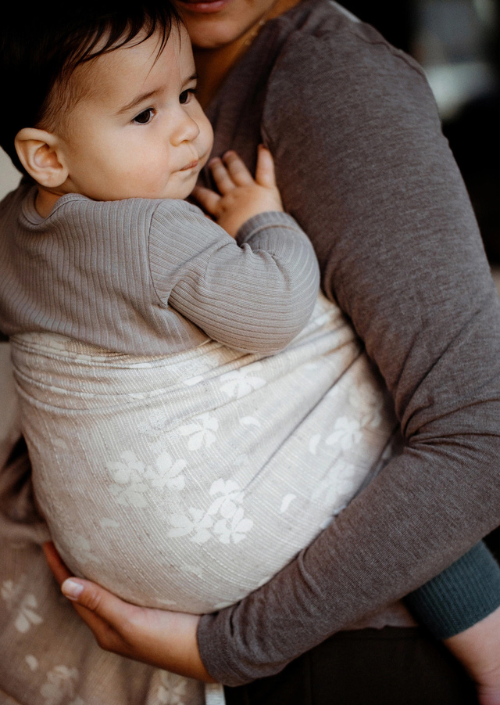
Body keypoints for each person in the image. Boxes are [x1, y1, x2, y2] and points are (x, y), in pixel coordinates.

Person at [1, 1, 500, 705]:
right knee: (357, 445)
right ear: (46, 155)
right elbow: (254, 313)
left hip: (347, 649)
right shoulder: (130, 127)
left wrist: (231, 644)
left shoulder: (335, 81)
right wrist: (267, 223)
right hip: (250, 616)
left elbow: (477, 432)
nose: (187, 133)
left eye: (184, 99)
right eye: (148, 113)